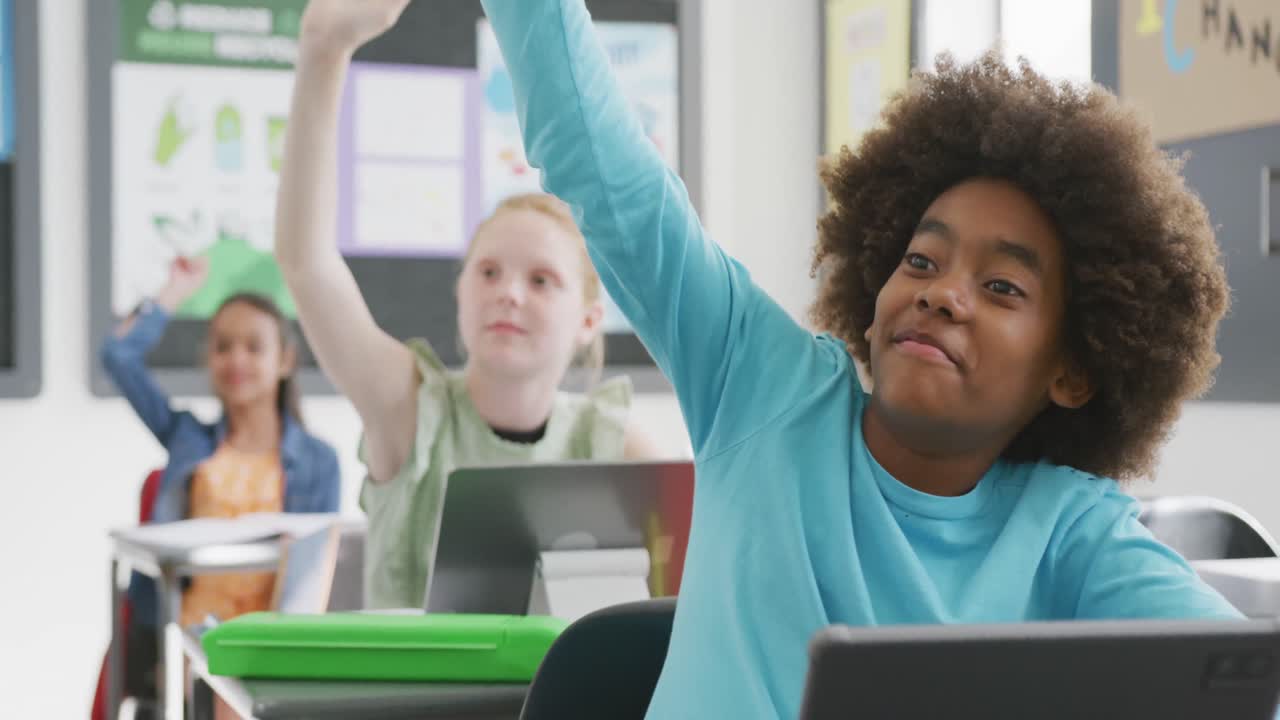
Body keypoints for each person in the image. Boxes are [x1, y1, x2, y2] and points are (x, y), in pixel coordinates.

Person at [471, 1, 1243, 717]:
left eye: (1001, 286)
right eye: (920, 261)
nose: (943, 295)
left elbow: (1242, 677)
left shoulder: (1071, 531)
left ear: (1072, 371)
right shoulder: (762, 387)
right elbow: (603, 167)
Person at [275, 0, 664, 610]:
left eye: (541, 280)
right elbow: (306, 263)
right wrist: (323, 48)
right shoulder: (407, 411)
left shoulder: (617, 447)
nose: (508, 292)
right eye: (488, 272)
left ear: (590, 320)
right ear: (460, 292)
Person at [100, 256, 340, 710]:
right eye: (223, 346)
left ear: (285, 360)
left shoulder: (318, 461)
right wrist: (175, 291)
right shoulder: (188, 438)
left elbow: (318, 576)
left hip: (271, 641)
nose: (236, 360)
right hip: (187, 636)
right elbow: (118, 356)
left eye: (253, 347)